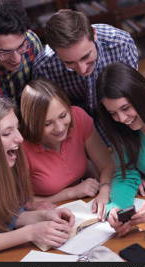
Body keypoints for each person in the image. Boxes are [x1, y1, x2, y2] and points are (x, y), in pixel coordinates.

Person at [0, 94, 74, 262]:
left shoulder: (2, 159)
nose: (19, 138)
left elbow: (6, 215)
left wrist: (44, 215)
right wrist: (32, 232)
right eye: (7, 133)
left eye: (17, 128)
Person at [32, 9, 138, 143]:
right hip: (76, 131)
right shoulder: (43, 67)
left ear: (94, 35)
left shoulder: (121, 43)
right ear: (54, 51)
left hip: (122, 120)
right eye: (69, 63)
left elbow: (132, 95)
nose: (82, 70)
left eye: (86, 56)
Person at [20, 78, 114, 220]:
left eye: (63, 115)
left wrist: (105, 190)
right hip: (49, 216)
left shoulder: (78, 117)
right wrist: (72, 192)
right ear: (32, 124)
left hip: (85, 206)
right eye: (47, 124)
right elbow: (20, 203)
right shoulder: (21, 147)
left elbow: (107, 165)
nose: (59, 128)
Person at [96, 62, 145, 237]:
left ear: (144, 93)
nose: (121, 118)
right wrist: (117, 207)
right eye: (113, 113)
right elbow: (125, 175)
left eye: (125, 108)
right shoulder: (123, 131)